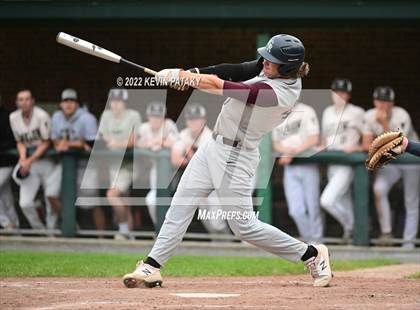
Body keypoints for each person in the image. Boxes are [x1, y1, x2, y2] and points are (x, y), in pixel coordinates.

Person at [123, 34, 332, 288]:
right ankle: (152, 266)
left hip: (237, 155)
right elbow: (235, 70)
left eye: (272, 59)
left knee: (244, 227)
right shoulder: (273, 70)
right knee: (181, 202)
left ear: (287, 66)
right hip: (213, 144)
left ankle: (311, 254)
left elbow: (221, 86)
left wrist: (184, 77)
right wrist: (190, 73)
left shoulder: (277, 93)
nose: (264, 61)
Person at [362, 86, 419, 249]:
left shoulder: (402, 114)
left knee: (411, 201)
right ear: (374, 101)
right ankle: (386, 233)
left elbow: (400, 144)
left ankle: (408, 244)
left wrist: (383, 122)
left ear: (392, 103)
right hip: (392, 162)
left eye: (386, 101)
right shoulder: (368, 115)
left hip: (410, 160)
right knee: (379, 189)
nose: (382, 105)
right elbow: (366, 144)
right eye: (379, 100)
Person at [51, 88, 105, 232]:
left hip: (86, 165)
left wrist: (71, 144)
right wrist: (59, 144)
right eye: (65, 101)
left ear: (77, 104)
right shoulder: (57, 117)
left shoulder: (87, 118)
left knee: (92, 203)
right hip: (66, 164)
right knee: (51, 193)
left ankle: (103, 237)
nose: (68, 104)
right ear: (60, 104)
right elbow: (53, 139)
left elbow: (93, 144)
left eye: (72, 101)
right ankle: (72, 226)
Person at [171, 104, 229, 235]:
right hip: (199, 185)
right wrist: (188, 156)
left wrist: (188, 153)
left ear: (204, 120)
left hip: (216, 186)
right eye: (191, 119)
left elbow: (207, 164)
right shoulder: (183, 134)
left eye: (197, 119)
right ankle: (218, 247)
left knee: (217, 223)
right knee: (207, 220)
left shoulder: (211, 136)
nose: (193, 122)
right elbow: (175, 160)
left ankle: (229, 243)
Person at [319, 78, 364, 242]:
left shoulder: (357, 112)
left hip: (347, 163)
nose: (340, 95)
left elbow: (368, 139)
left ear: (349, 95)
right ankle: (350, 232)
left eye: (343, 92)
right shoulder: (327, 112)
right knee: (344, 199)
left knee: (327, 200)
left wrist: (358, 148)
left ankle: (353, 226)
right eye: (337, 92)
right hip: (332, 162)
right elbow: (324, 140)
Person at [9, 89, 61, 230]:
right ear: (16, 102)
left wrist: (28, 160)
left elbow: (46, 142)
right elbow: (19, 141)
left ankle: (52, 231)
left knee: (50, 198)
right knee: (24, 203)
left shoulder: (41, 115)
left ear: (32, 101)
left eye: (27, 99)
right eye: (20, 99)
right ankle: (40, 231)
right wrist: (22, 158)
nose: (24, 102)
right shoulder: (13, 117)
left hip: (45, 161)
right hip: (29, 163)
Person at [272, 102, 322, 243]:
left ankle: (317, 241)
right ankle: (310, 241)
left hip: (307, 163)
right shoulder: (277, 114)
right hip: (290, 167)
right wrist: (287, 152)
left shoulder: (307, 110)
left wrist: (293, 152)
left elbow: (314, 138)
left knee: (313, 206)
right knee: (295, 210)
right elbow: (275, 142)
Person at [99, 89, 142, 240]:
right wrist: (116, 143)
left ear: (124, 102)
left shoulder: (133, 115)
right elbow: (104, 137)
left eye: (119, 101)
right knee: (123, 199)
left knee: (112, 195)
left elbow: (133, 141)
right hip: (113, 165)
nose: (116, 104)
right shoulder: (106, 116)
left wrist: (117, 143)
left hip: (129, 165)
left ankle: (123, 230)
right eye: (113, 101)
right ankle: (130, 237)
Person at [137, 101, 178, 226]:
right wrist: (156, 143)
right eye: (153, 116)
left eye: (158, 116)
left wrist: (155, 142)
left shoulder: (169, 125)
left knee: (172, 200)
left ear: (164, 117)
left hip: (173, 170)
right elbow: (137, 144)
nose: (155, 119)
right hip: (153, 168)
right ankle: (160, 227)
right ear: (148, 117)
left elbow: (174, 142)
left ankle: (168, 229)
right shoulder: (144, 128)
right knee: (151, 200)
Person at [0, 94, 18, 230]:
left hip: (7, 162)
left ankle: (6, 222)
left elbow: (13, 141)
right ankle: (15, 228)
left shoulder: (8, 116)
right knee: (6, 198)